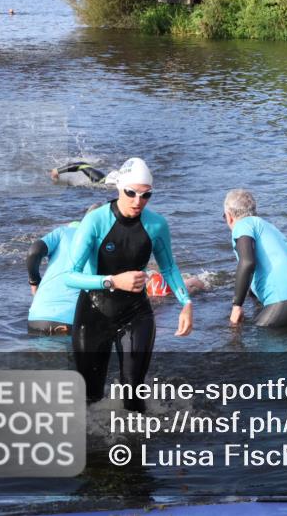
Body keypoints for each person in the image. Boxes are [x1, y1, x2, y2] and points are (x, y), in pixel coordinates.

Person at [65, 157, 193, 412]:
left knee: (134, 397)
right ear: (119, 188)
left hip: (136, 314)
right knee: (89, 398)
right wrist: (113, 281)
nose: (138, 201)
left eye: (146, 195)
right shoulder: (95, 221)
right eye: (131, 193)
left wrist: (186, 303)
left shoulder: (156, 225)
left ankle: (139, 447)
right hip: (94, 313)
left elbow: (168, 267)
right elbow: (70, 276)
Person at [223, 189, 287, 328]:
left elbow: (247, 263)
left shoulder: (242, 225)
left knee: (238, 335)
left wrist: (236, 305)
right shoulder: (268, 227)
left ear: (229, 216)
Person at [26, 203, 104, 335]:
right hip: (72, 323)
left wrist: (34, 281)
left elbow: (34, 251)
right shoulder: (107, 242)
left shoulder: (62, 232)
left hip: (37, 318)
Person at [50, 161, 119, 186]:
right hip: (104, 181)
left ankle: (56, 171)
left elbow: (81, 165)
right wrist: (57, 171)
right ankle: (56, 171)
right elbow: (81, 165)